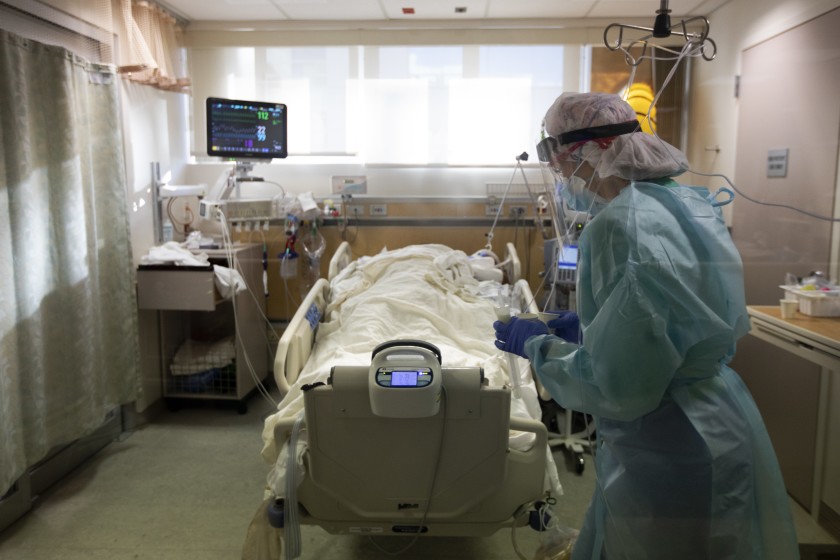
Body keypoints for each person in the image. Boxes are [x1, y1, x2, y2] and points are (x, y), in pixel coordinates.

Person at [494, 92, 799, 559]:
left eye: (558, 164)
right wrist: (592, 326)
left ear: (583, 155)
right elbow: (676, 312)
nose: (560, 178)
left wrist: (538, 348)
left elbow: (615, 384)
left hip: (666, 441)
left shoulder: (615, 226)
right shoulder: (687, 203)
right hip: (721, 412)